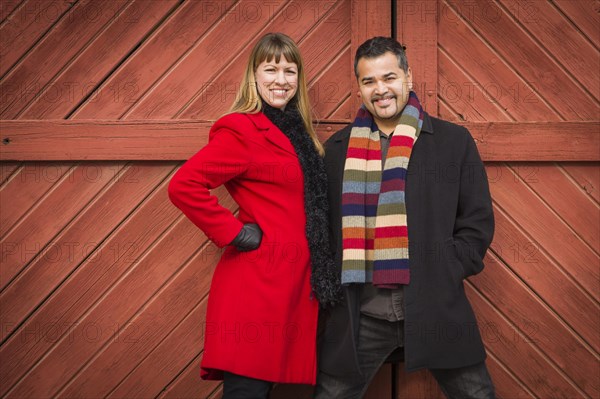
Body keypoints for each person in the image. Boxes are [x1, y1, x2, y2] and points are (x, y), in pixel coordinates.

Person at [315, 37, 495, 399]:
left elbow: (476, 222)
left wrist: (446, 266)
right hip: (363, 315)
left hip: (435, 306)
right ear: (360, 87)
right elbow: (323, 229)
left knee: (478, 395)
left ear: (408, 77)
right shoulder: (336, 150)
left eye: (389, 77)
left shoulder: (452, 141)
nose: (380, 90)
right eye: (369, 81)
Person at [168, 33, 341, 399]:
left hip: (296, 285)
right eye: (271, 69)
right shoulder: (242, 129)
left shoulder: (300, 132)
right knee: (247, 389)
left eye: (290, 71)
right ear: (254, 74)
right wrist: (233, 232)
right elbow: (184, 185)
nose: (281, 80)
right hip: (259, 286)